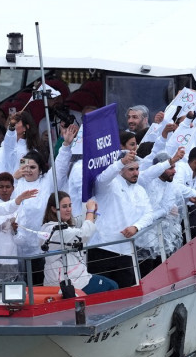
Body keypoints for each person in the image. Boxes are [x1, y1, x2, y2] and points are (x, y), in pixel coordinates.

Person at [12, 123, 78, 283]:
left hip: (43, 247)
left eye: (32, 167)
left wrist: (66, 145)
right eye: (24, 166)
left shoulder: (47, 181)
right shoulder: (15, 183)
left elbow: (60, 166)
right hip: (19, 246)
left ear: (40, 169)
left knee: (44, 283)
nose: (27, 170)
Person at [87, 150, 154, 287]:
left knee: (126, 293)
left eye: (137, 169)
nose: (136, 173)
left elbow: (149, 214)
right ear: (120, 170)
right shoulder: (109, 185)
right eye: (131, 169)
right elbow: (102, 179)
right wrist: (120, 163)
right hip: (102, 248)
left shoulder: (140, 190)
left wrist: (136, 227)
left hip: (126, 250)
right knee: (101, 294)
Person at [37, 193, 118, 294]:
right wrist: (90, 211)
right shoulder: (54, 230)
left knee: (110, 284)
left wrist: (92, 213)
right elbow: (84, 233)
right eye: (64, 206)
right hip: (67, 283)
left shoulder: (63, 226)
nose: (69, 209)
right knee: (112, 286)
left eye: (70, 205)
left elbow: (79, 222)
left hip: (76, 277)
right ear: (53, 209)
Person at [0, 172, 21, 289]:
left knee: (8, 291)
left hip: (11, 257)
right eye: (1, 187)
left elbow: (22, 238)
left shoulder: (19, 208)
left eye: (8, 187)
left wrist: (16, 230)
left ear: (13, 188)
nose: (4, 190)